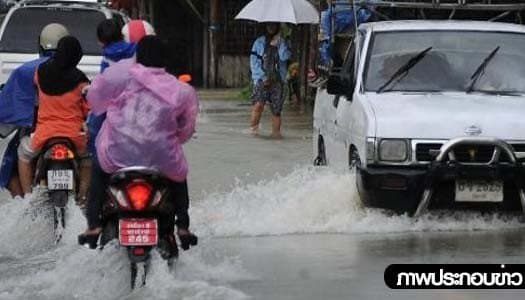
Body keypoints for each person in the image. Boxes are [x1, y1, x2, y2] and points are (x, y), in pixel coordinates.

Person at [80, 36, 198, 253]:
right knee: (179, 177)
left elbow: (95, 100)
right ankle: (183, 227)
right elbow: (187, 130)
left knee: (98, 170)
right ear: (165, 59)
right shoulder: (182, 91)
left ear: (138, 56)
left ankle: (93, 225)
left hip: (117, 154)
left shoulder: (121, 77)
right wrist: (172, 140)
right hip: (161, 159)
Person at [17, 36, 91, 202]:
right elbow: (88, 109)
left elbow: (34, 88)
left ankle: (28, 199)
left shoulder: (41, 73)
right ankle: (82, 197)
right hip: (74, 136)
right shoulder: (81, 80)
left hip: (44, 135)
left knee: (23, 155)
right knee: (88, 159)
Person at [0, 23, 70, 197]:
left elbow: (11, 107)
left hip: (39, 133)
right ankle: (84, 200)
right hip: (71, 132)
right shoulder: (74, 72)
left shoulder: (26, 72)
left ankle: (27, 200)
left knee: (15, 161)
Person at [249, 23, 291, 139]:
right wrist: (263, 78)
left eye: (274, 25)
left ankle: (276, 135)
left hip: (278, 81)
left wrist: (280, 44)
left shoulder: (282, 42)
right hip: (261, 80)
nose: (271, 27)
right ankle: (253, 132)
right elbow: (254, 63)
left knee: (276, 110)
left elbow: (285, 57)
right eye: (269, 25)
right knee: (258, 105)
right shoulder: (259, 42)